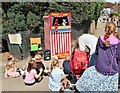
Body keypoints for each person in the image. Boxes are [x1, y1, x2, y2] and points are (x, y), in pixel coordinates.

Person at [75, 22, 120, 91]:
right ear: (114, 30)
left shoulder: (100, 38)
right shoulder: (117, 42)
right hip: (111, 70)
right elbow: (118, 57)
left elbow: (97, 52)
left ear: (105, 29)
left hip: (100, 67)